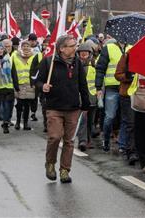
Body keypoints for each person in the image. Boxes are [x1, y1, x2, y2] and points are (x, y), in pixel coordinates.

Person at [37, 35, 91, 183]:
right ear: (61, 49)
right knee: (54, 137)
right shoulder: (49, 62)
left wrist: (85, 104)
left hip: (73, 107)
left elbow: (82, 84)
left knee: (69, 141)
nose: (75, 48)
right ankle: (50, 163)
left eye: (75, 45)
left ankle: (65, 170)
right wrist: (43, 86)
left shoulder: (78, 63)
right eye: (72, 46)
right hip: (54, 106)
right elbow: (37, 81)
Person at [95, 34, 127, 153]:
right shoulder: (108, 48)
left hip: (127, 87)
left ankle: (122, 144)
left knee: (126, 118)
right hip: (112, 88)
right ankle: (106, 139)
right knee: (110, 116)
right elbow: (100, 69)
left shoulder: (132, 48)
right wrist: (98, 87)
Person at [113, 42, 138, 165]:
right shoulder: (127, 56)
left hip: (143, 95)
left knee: (142, 125)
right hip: (127, 95)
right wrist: (128, 76)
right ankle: (131, 151)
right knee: (131, 123)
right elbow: (117, 74)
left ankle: (140, 150)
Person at [13, 40, 41, 130]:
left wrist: (35, 82)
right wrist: (15, 83)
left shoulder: (35, 56)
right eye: (24, 46)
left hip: (30, 84)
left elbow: (38, 69)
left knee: (27, 105)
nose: (25, 48)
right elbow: (12, 69)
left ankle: (25, 123)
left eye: (27, 46)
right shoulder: (15, 55)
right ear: (21, 47)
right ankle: (17, 122)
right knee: (19, 104)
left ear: (30, 47)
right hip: (19, 84)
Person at [76, 42, 98, 151]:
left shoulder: (95, 64)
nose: (83, 55)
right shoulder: (75, 65)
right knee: (83, 119)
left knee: (90, 121)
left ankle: (89, 140)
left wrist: (99, 92)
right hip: (80, 98)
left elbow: (99, 81)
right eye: (81, 53)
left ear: (90, 54)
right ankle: (82, 140)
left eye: (85, 53)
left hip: (93, 97)